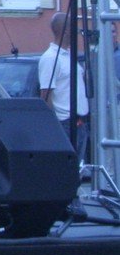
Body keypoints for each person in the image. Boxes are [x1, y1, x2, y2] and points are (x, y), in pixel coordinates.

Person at [39, 11, 89, 159]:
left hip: (79, 122)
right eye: (74, 27)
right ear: (66, 31)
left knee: (76, 166)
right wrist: (55, 128)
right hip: (65, 124)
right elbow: (45, 95)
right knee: (65, 166)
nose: (77, 31)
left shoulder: (68, 55)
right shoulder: (50, 58)